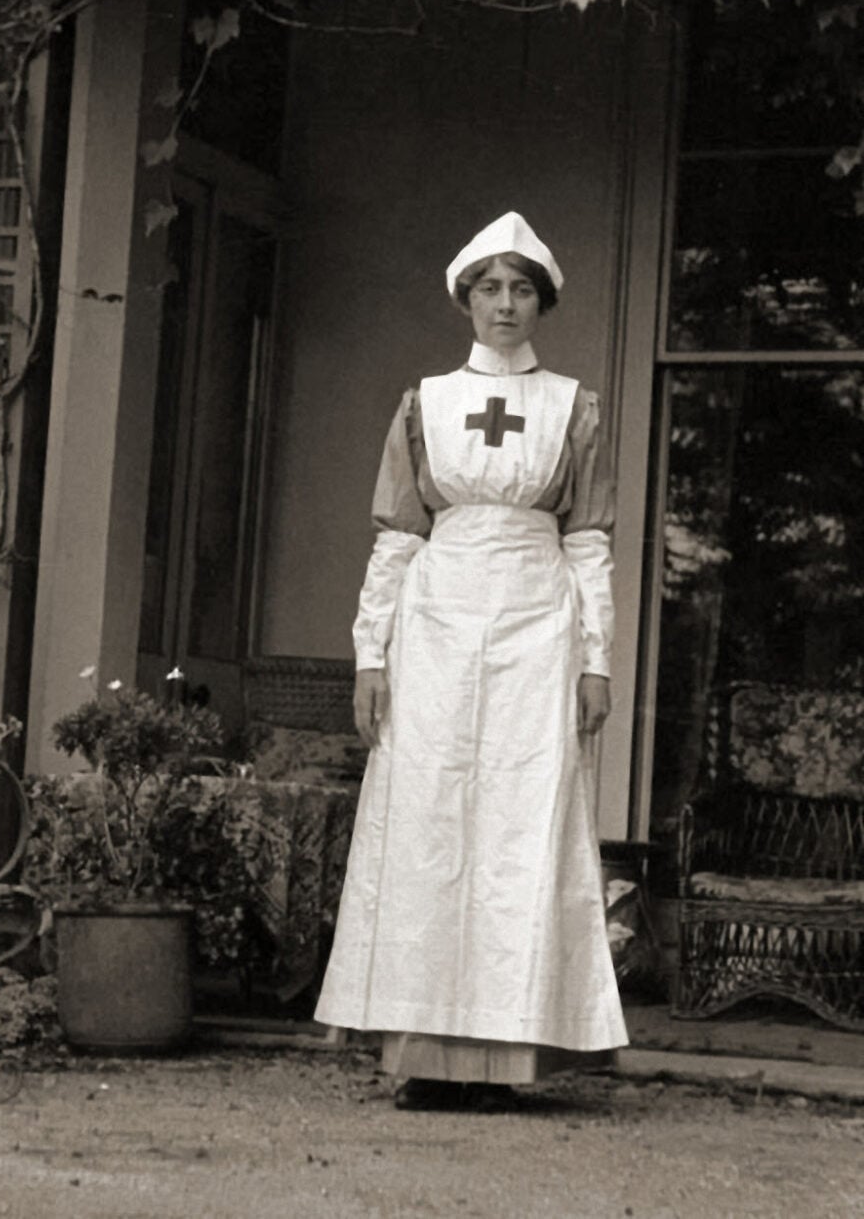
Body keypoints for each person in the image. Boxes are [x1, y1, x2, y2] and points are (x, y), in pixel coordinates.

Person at [314, 210, 628, 1110]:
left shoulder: (575, 407)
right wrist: (371, 654)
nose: (504, 303)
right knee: (430, 822)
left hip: (538, 624)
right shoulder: (426, 403)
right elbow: (396, 539)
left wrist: (595, 659)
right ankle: (420, 1050)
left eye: (521, 288)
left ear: (543, 302)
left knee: (517, 832)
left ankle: (508, 1054)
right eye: (489, 287)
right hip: (439, 624)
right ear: (465, 299)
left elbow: (592, 540)